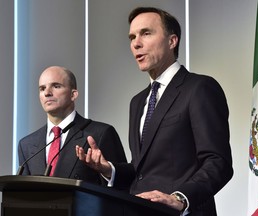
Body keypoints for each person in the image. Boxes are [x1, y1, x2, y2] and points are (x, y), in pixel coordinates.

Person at [76, 7, 233, 215]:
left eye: (146, 33)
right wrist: (109, 169)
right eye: (132, 37)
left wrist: (180, 198)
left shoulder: (199, 88)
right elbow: (141, 170)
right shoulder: (137, 102)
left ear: (172, 41)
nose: (136, 43)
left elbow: (218, 162)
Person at [18, 66, 127, 185]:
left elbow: (123, 186)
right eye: (42, 88)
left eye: (56, 86)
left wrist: (107, 172)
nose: (47, 93)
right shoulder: (26, 145)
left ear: (73, 94)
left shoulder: (101, 133)